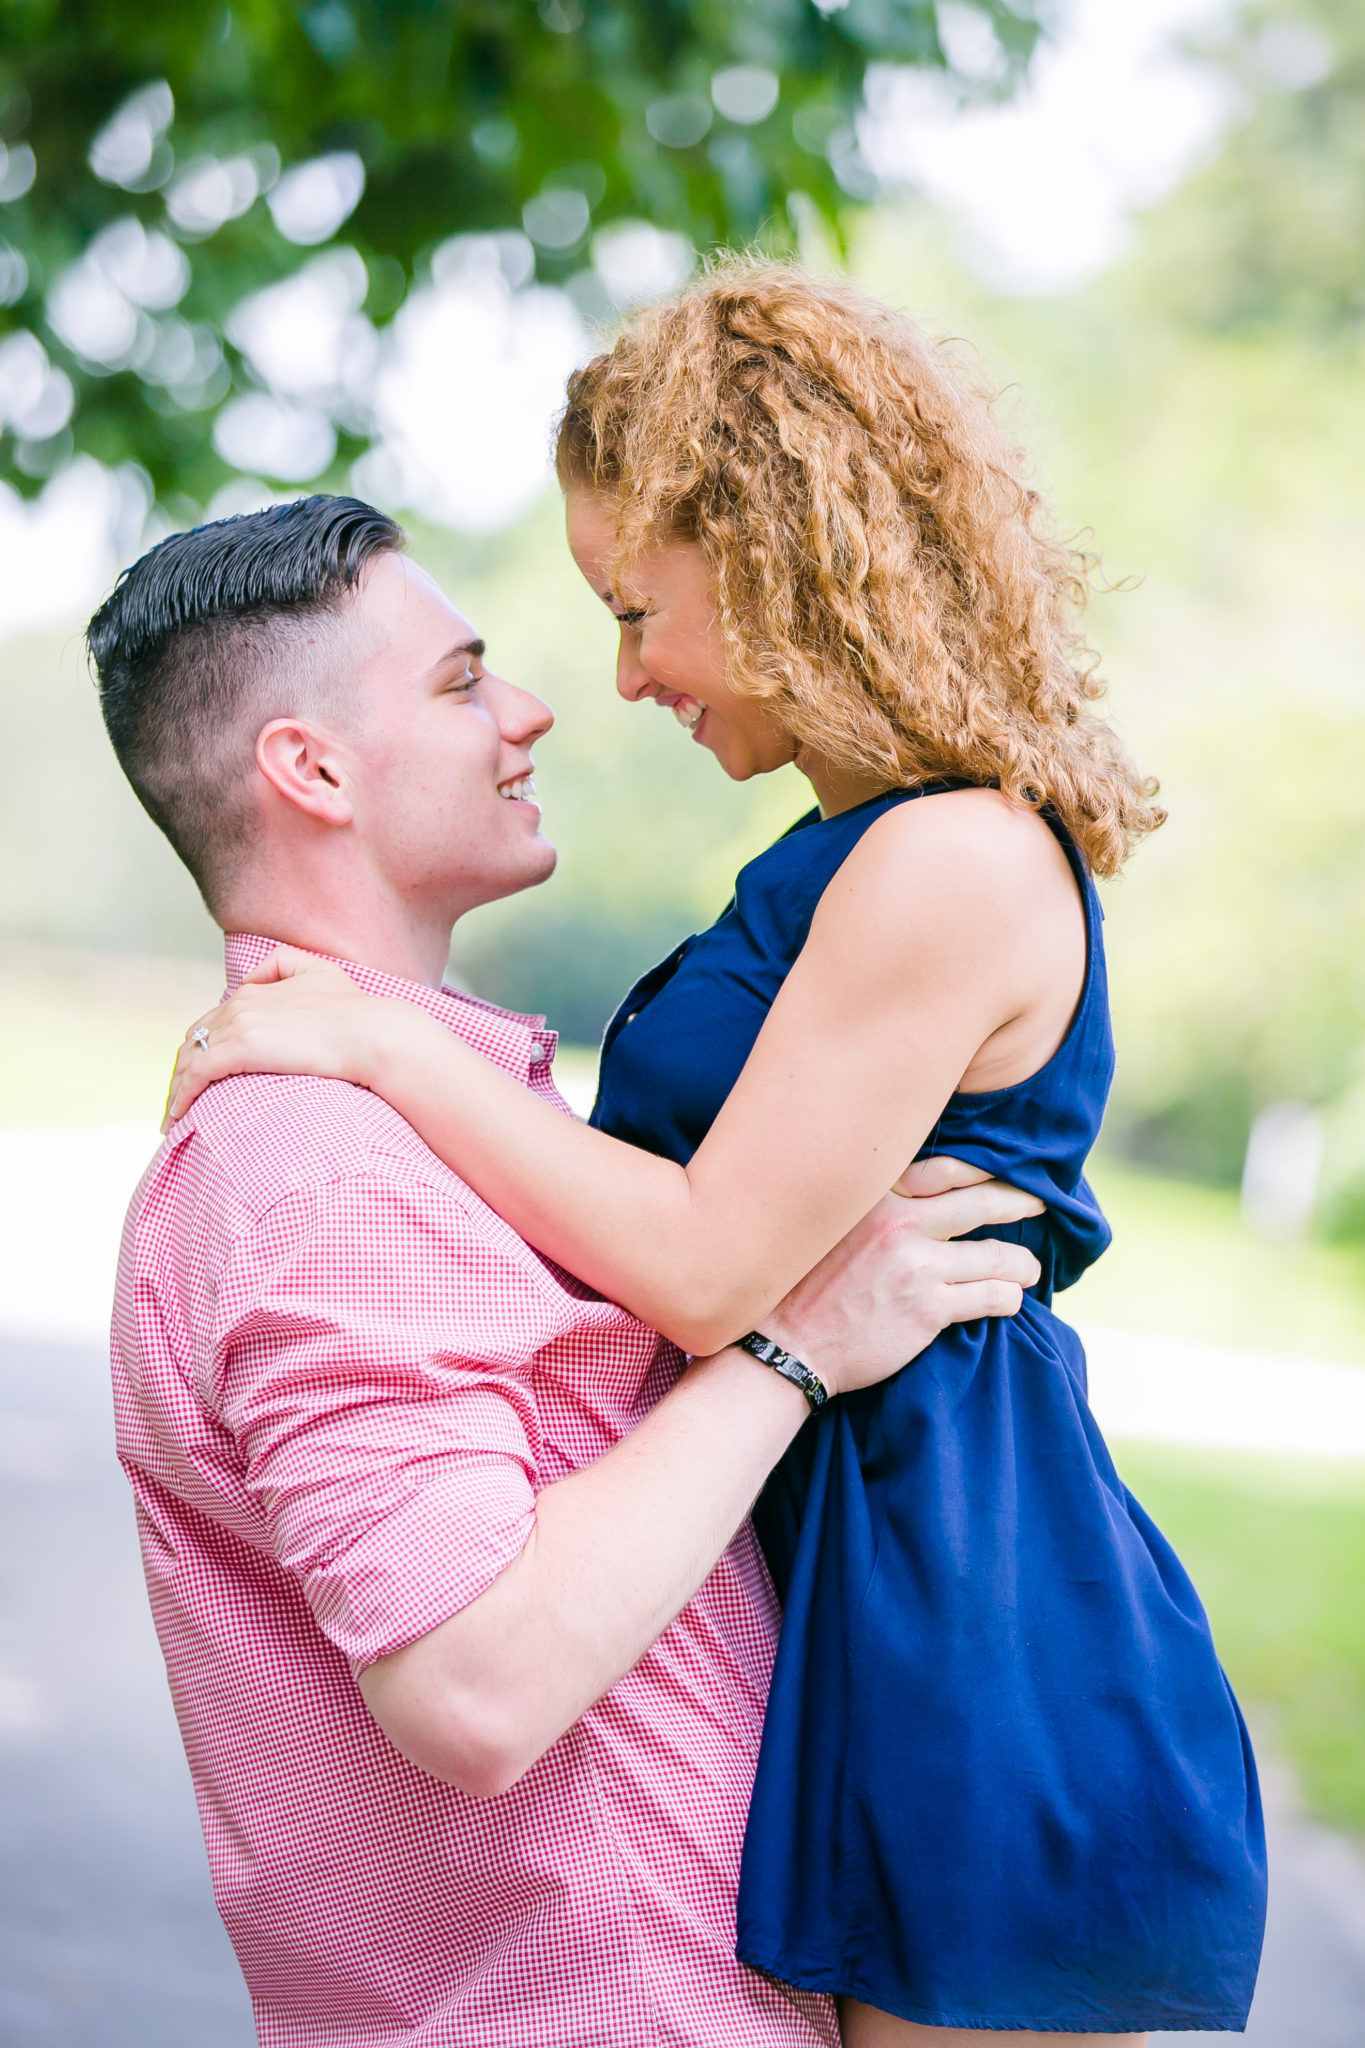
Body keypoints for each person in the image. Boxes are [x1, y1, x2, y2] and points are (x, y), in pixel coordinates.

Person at [168, 263, 1268, 2043]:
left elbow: (697, 1268)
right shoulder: (846, 851)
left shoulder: (954, 861)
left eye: (635, 608)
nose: (619, 678)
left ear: (760, 552)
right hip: (842, 1555)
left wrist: (378, 1041)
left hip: (955, 1599)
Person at [89, 491, 1044, 2048]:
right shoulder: (325, 1168)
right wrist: (789, 1347)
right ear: (311, 768)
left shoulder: (404, 1120)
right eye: (462, 681)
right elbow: (474, 1685)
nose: (530, 709)